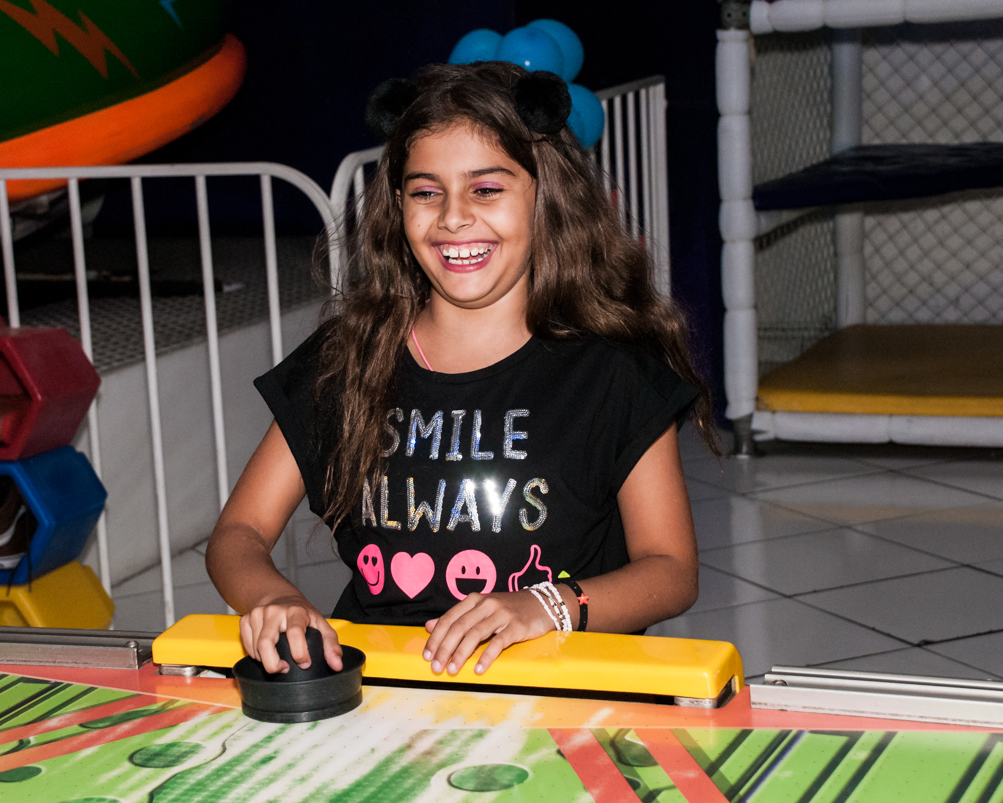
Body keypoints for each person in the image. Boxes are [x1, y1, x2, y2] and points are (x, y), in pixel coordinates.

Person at [206, 62, 716, 680]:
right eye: (426, 192)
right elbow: (238, 531)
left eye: (486, 189)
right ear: (398, 207)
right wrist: (274, 598)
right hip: (384, 690)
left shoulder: (613, 373)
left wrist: (546, 606)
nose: (452, 217)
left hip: (560, 687)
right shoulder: (348, 358)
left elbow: (670, 569)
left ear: (545, 197)